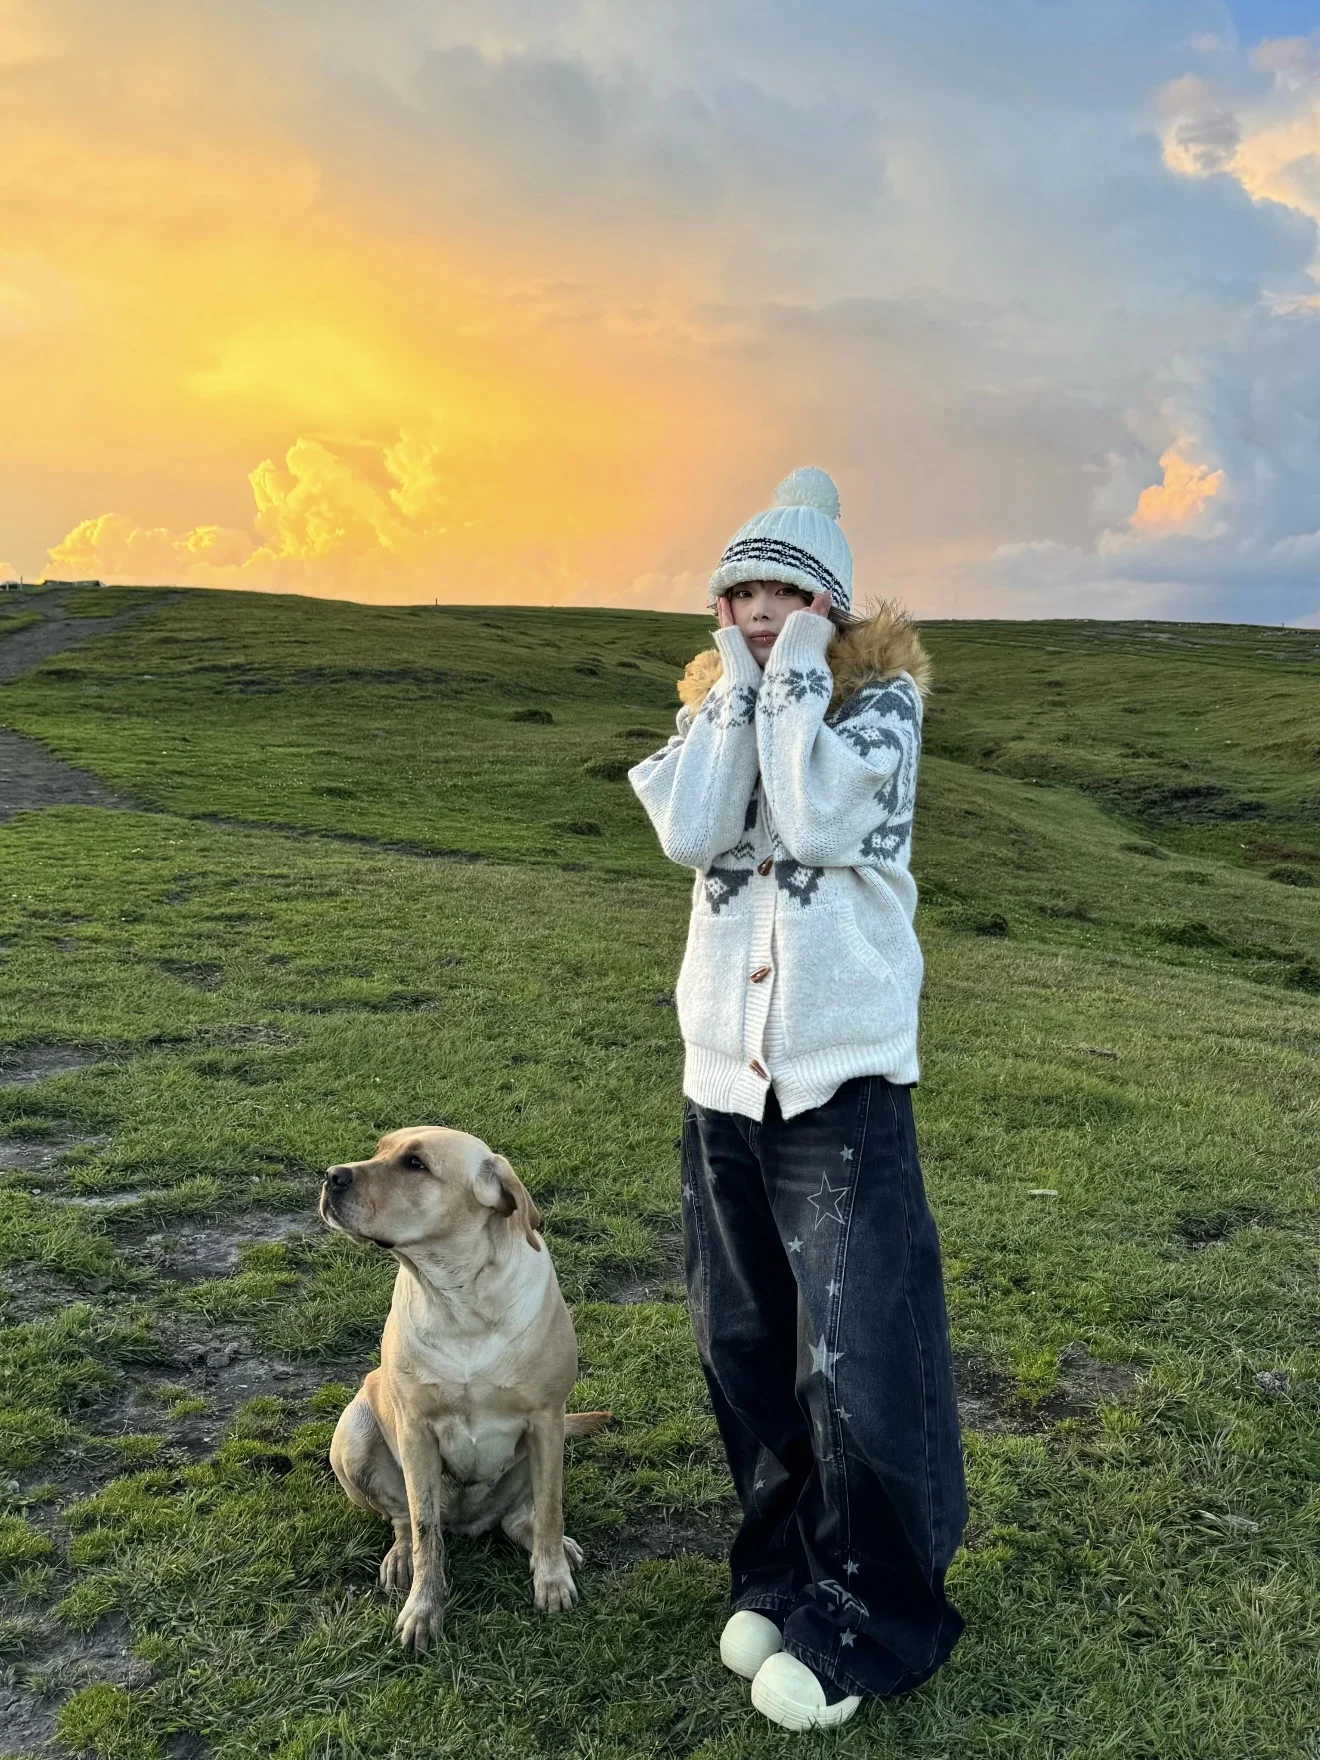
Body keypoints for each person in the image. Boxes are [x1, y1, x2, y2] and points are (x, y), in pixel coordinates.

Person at [628, 468, 966, 1734]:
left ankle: (877, 1614)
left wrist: (799, 677)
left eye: (786, 592)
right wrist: (736, 689)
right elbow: (692, 829)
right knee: (747, 1342)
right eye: (741, 592)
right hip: (723, 1076)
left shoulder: (880, 711)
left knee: (854, 1356)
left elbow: (818, 817)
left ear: (831, 606)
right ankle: (779, 1570)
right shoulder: (713, 710)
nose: (761, 609)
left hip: (839, 1079)